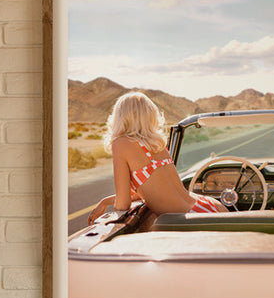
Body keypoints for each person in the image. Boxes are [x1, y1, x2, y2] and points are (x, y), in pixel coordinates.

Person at [87, 91, 227, 225]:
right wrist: (106, 201)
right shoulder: (157, 143)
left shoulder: (121, 144)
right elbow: (152, 190)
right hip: (207, 205)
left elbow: (123, 203)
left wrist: (109, 206)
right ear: (150, 115)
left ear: (120, 117)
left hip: (190, 218)